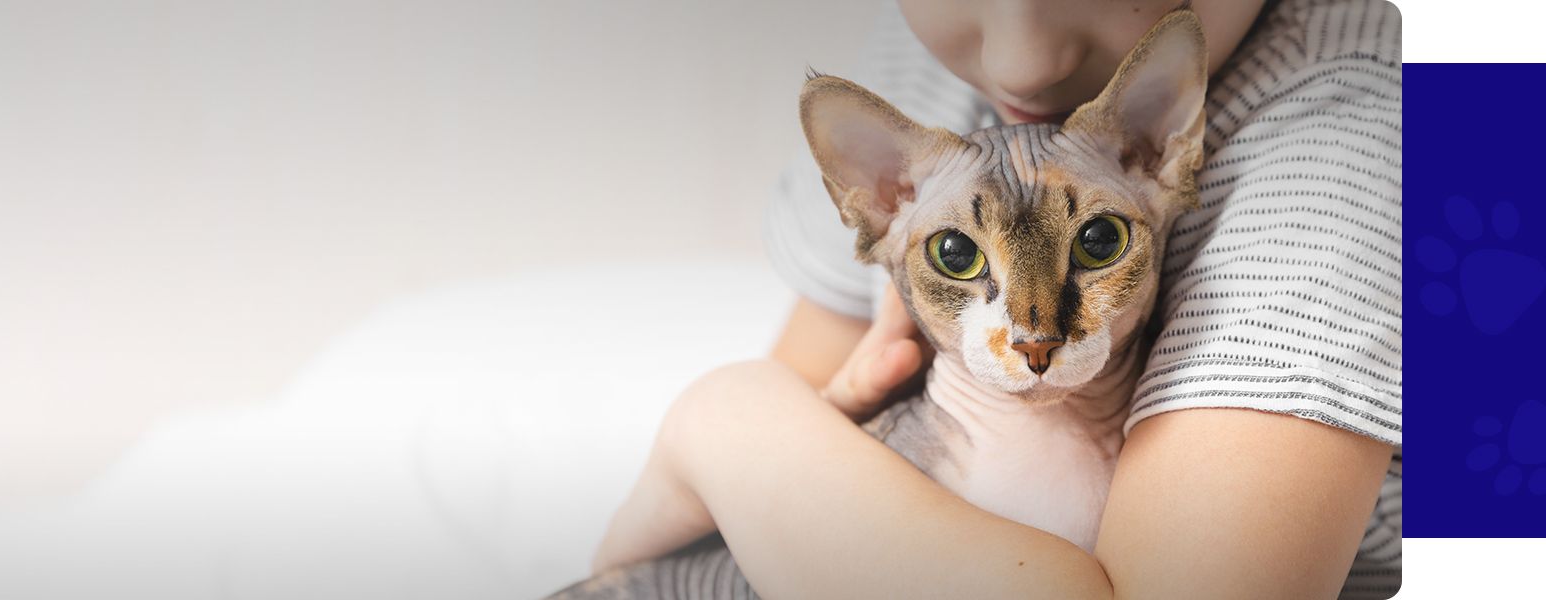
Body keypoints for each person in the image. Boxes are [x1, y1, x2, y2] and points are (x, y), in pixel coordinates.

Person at [590, 0, 1402, 597]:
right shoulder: (932, 63)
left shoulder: (1391, 136)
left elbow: (771, 475)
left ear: (1161, 147)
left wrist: (722, 424)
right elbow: (743, 505)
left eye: (1097, 243)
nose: (1019, 65)